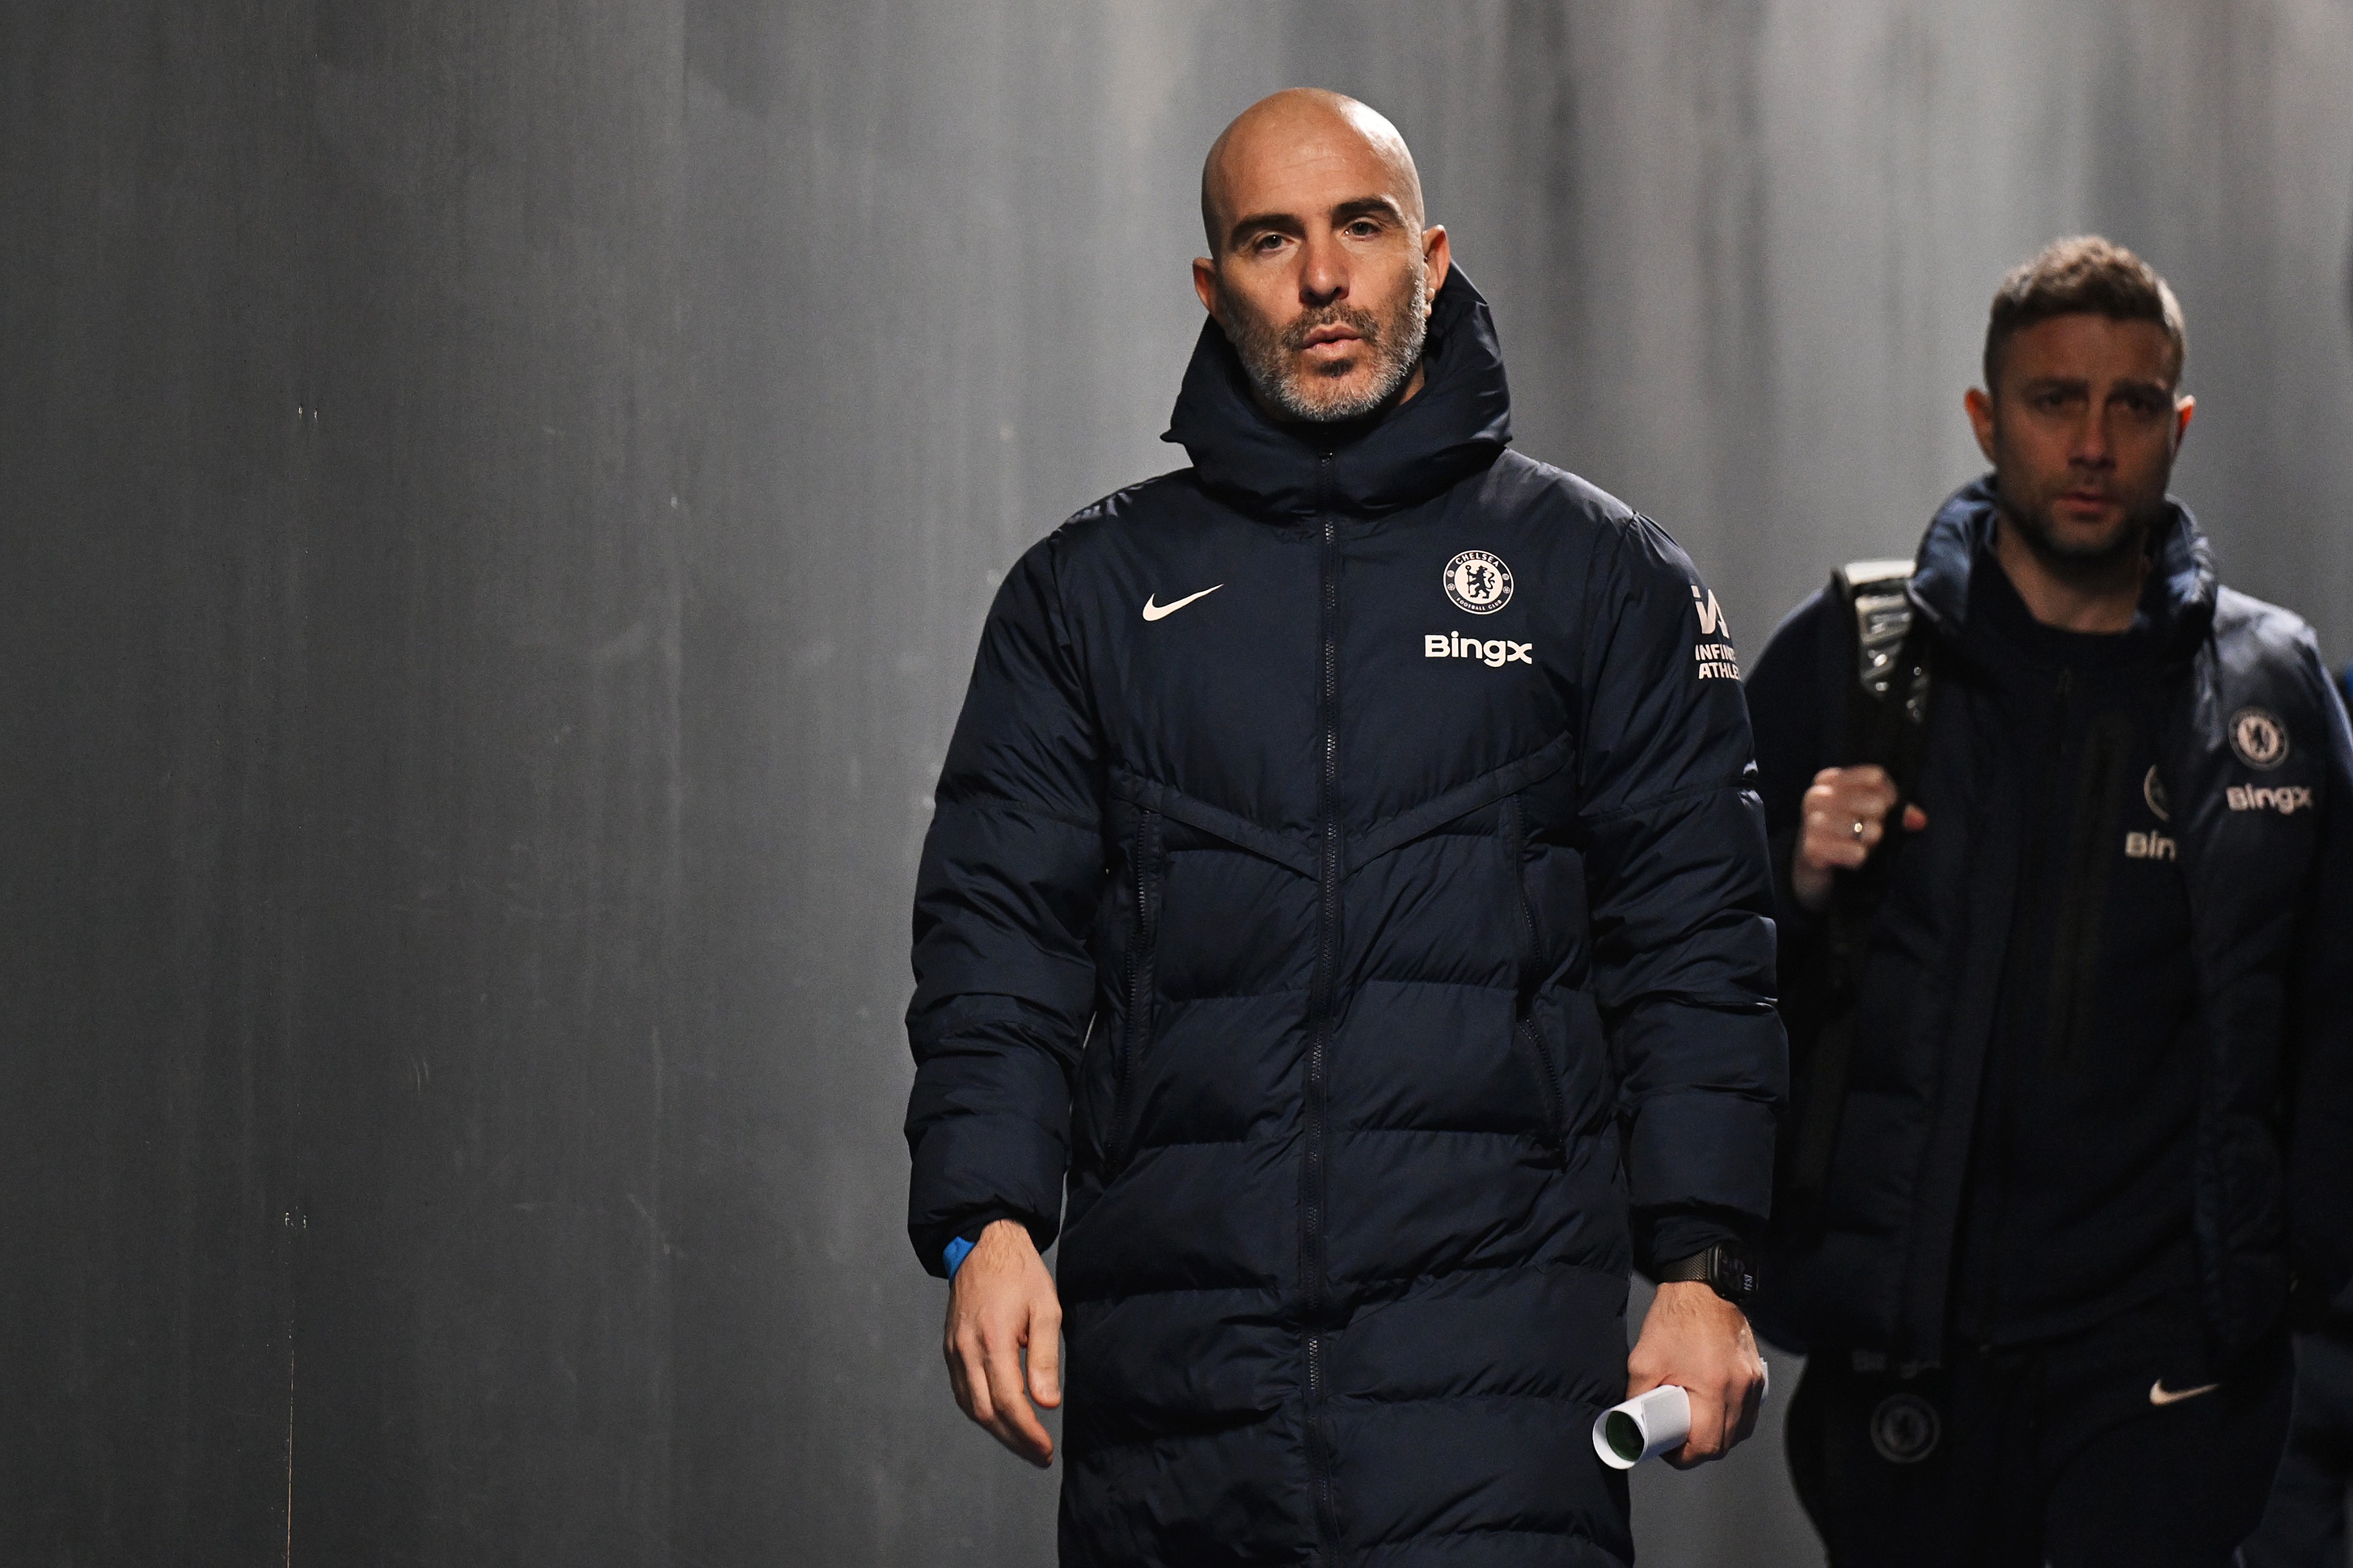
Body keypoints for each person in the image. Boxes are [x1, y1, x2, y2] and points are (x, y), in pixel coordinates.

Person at [902, 89, 1782, 1566]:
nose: (1320, 278)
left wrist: (1705, 1266)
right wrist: (985, 1221)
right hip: (1179, 1387)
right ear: (1209, 284)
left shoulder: (1598, 574)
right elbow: (1000, 931)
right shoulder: (1085, 592)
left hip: (1494, 1378)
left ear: (1427, 256)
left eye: (1358, 228)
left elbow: (1696, 939)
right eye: (1269, 239)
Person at [1744, 235, 2353, 1566]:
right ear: (1983, 417)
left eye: (2129, 404)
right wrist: (1791, 882)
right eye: (2051, 399)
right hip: (1909, 1361)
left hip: (2171, 1368)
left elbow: (2330, 1012)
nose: (2091, 441)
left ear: (2176, 425)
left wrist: (2295, 1297)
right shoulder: (1847, 660)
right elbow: (1683, 968)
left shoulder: (2269, 693)